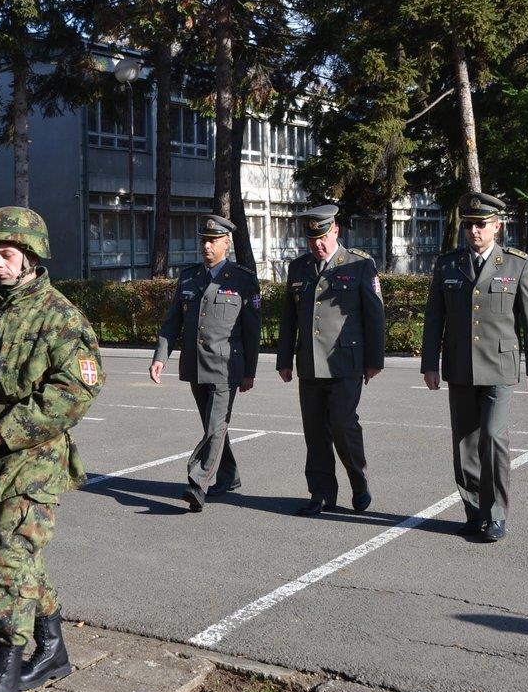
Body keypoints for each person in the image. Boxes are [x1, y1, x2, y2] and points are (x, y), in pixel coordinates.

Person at [0, 206, 103, 692]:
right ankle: (53, 646)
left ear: (30, 257)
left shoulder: (59, 315)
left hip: (34, 461)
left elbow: (78, 387)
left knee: (6, 563)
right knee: (21, 563)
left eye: (7, 254)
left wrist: (8, 429)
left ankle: (4, 678)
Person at [421, 192, 528, 542]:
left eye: (481, 224)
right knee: (464, 443)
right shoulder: (448, 264)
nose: (474, 231)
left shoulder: (517, 264)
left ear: (497, 226)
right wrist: (430, 363)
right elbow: (435, 318)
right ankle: (474, 510)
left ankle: (496, 515)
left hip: (500, 366)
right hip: (460, 366)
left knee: (493, 436)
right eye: (469, 225)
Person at [275, 205, 386, 516]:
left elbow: (375, 315)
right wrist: (284, 359)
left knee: (342, 424)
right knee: (314, 431)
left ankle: (358, 481)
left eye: (322, 237)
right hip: (309, 362)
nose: (317, 245)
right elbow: (289, 319)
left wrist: (374, 359)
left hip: (346, 361)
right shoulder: (298, 268)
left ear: (335, 230)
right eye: (311, 240)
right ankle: (321, 493)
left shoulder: (360, 265)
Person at [150, 215, 262, 512]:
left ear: (227, 243)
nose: (207, 246)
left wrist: (250, 371)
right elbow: (173, 320)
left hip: (227, 367)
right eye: (203, 240)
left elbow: (252, 330)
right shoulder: (189, 277)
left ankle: (198, 483)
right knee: (213, 426)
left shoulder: (243, 279)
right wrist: (161, 356)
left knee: (215, 425)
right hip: (195, 365)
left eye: (213, 240)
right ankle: (229, 475)